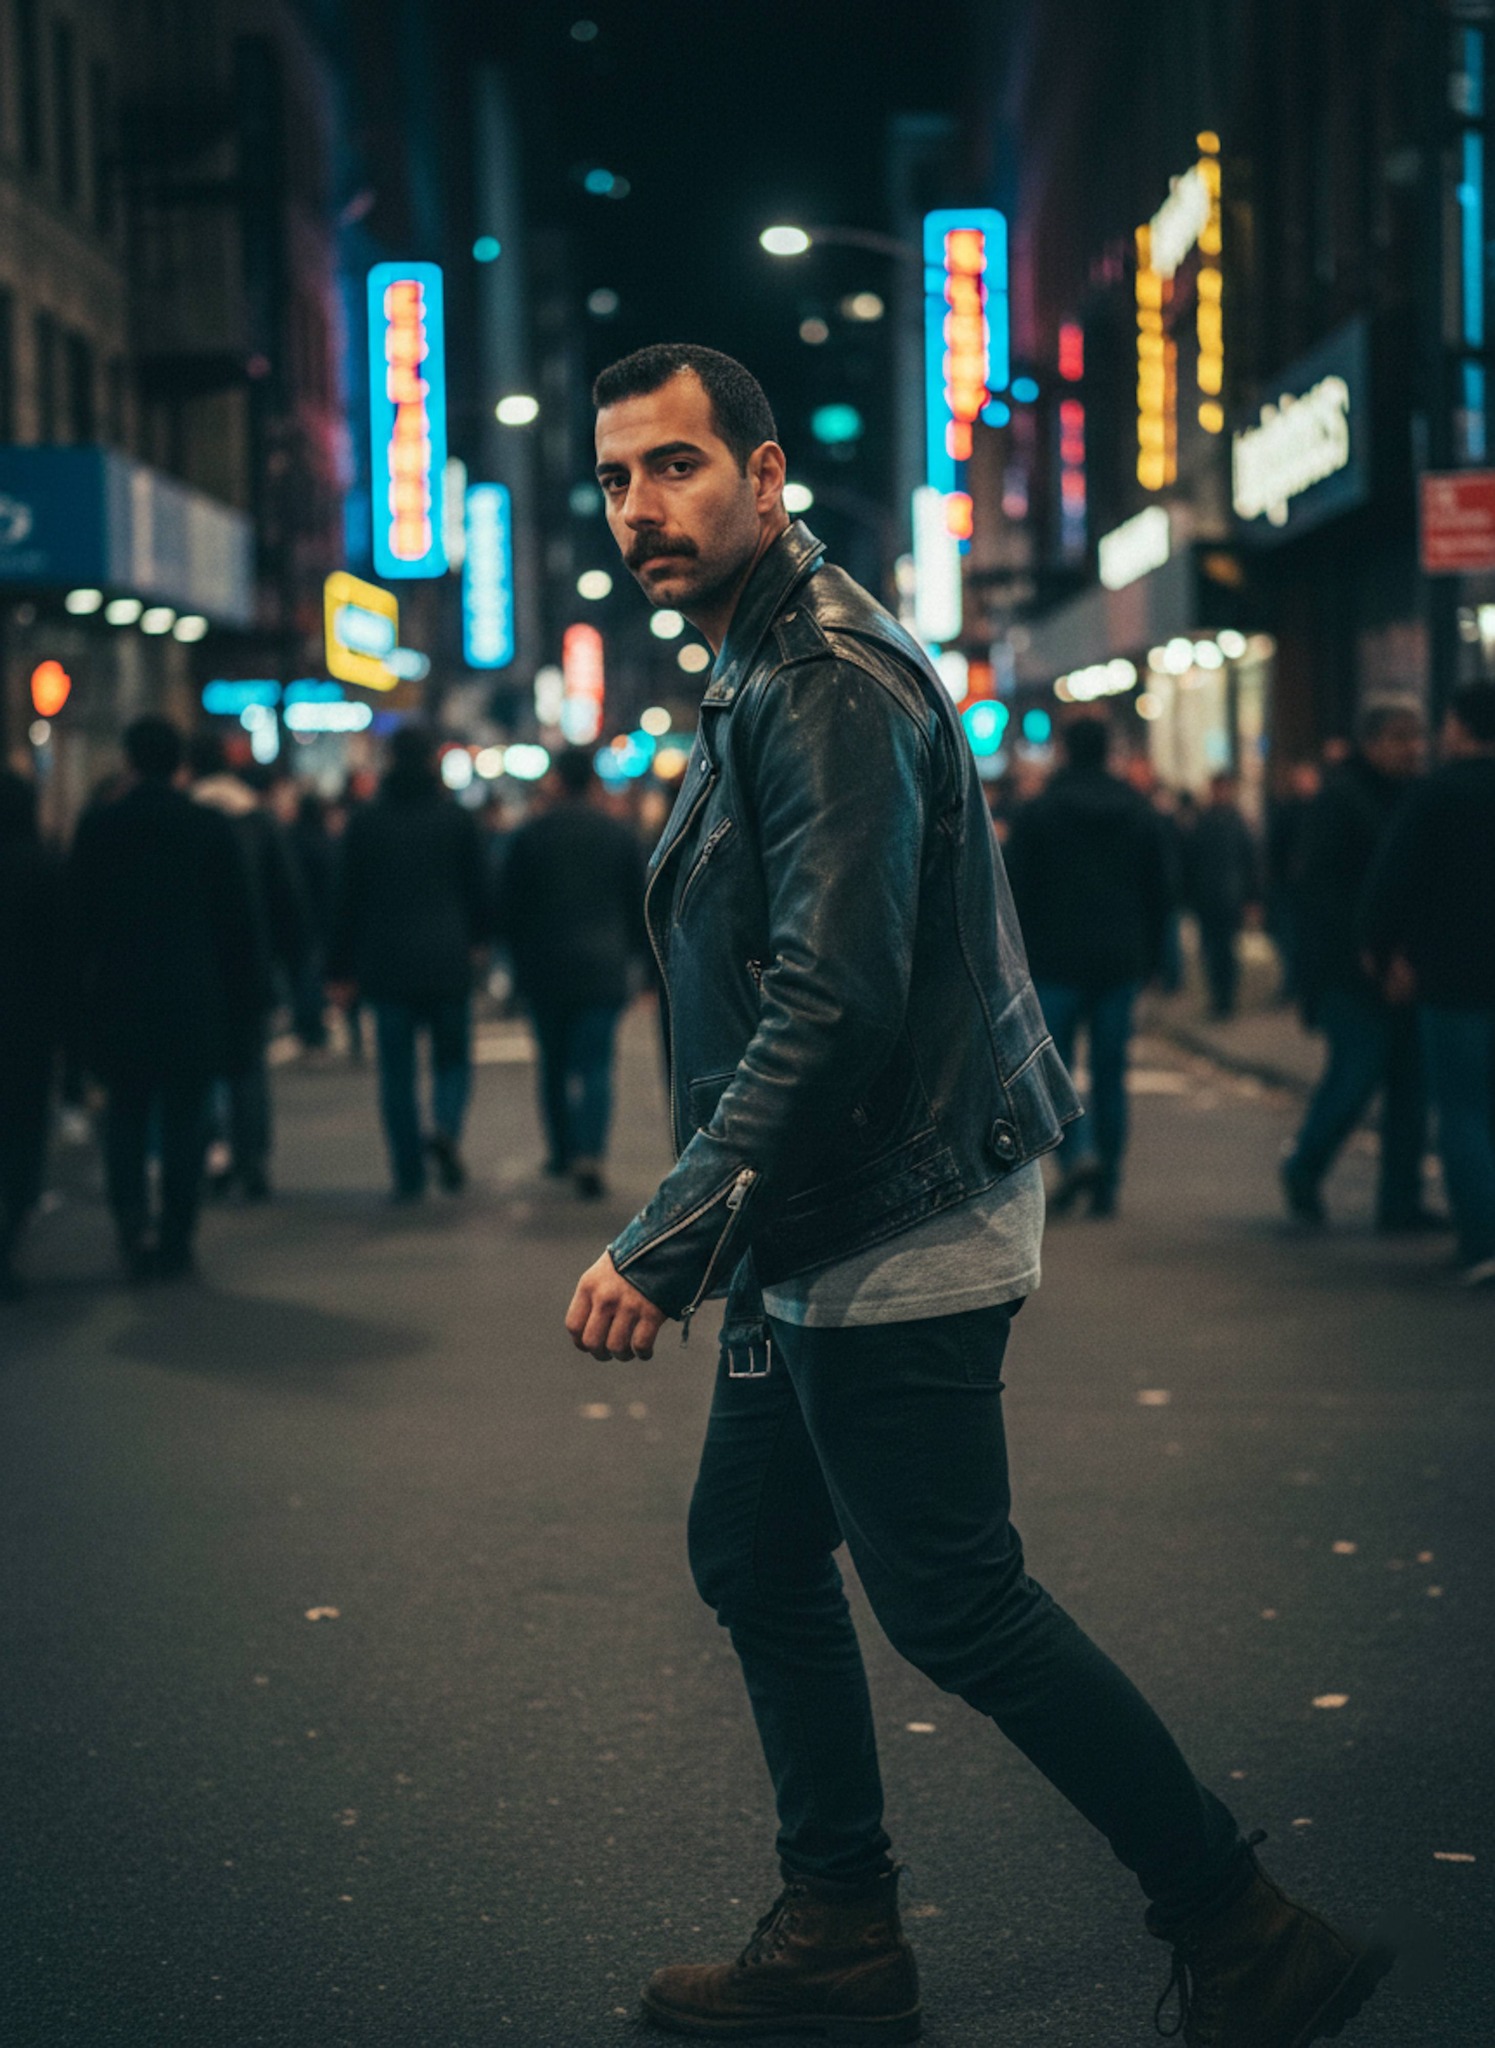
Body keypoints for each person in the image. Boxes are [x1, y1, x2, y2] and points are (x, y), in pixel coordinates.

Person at [562, 343, 1394, 2046]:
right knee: (754, 1546)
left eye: (677, 467)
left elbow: (836, 996)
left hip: (892, 1206)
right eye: (619, 476)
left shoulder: (817, 677)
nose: (642, 506)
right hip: (827, 1204)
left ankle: (1242, 1923)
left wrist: (668, 1233)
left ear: (767, 475)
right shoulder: (761, 656)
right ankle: (842, 1923)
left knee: (952, 1593)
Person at [67, 716, 260, 1279]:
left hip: (121, 995)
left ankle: (132, 1222)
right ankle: (177, 1232)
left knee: (125, 1115)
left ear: (128, 761)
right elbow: (238, 928)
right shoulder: (206, 828)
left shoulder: (99, 828)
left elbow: (79, 926)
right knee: (186, 1120)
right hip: (192, 997)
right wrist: (243, 1007)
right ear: (179, 765)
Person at [1004, 716, 1170, 1217]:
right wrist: (1155, 956)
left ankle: (1076, 1154)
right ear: (1108, 752)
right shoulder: (1138, 811)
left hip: (1053, 961)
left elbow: (1014, 890)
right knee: (1110, 1071)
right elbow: (1160, 888)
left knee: (1051, 1071)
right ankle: (1108, 1181)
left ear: (1065, 751)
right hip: (1119, 960)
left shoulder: (1039, 813)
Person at [1362, 681, 1495, 1286]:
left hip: (1452, 977)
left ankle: (1481, 1241)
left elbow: (1393, 880)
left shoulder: (1436, 795)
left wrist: (1384, 951)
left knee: (1463, 1111)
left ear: (1462, 728)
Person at [1280, 700, 1430, 1231]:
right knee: (1356, 1075)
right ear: (1370, 743)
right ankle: (1304, 1167)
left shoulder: (1416, 796)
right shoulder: (1341, 799)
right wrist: (1370, 957)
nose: (1412, 747)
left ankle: (1400, 1200)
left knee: (1411, 1088)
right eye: (1398, 737)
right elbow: (1321, 892)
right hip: (1352, 971)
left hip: (1412, 969)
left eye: (1417, 736)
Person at [327, 726, 488, 1200]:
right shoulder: (456, 818)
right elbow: (479, 889)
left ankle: (407, 1171)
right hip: (447, 956)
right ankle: (444, 1127)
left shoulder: (366, 821)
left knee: (395, 1071)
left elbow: (345, 900)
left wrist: (338, 968)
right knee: (452, 1059)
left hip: (386, 961)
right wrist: (479, 940)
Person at [493, 746, 649, 1198]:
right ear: (593, 782)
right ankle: (591, 1151)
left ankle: (562, 1151)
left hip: (545, 966)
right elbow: (638, 902)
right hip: (604, 965)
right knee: (597, 1062)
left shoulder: (530, 835)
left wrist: (513, 963)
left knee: (554, 1063)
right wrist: (644, 969)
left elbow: (509, 906)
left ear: (557, 780)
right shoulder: (618, 834)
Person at [189, 733, 308, 1199]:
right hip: (252, 962)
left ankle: (211, 1153)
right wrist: (294, 961)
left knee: (197, 1072)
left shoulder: (186, 822)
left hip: (196, 966)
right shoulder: (257, 823)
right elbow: (286, 899)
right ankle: (252, 1161)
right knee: (247, 1067)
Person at [0, 772, 65, 1298]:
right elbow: (63, 955)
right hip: (28, 1024)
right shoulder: (42, 868)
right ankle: (11, 1226)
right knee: (21, 1129)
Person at [1185, 772, 1260, 1018]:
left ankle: (1225, 999)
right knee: (1211, 950)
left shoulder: (1234, 822)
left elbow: (1250, 862)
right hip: (1209, 897)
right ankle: (1219, 998)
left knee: (1225, 950)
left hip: (1229, 897)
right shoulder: (1205, 821)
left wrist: (1252, 898)